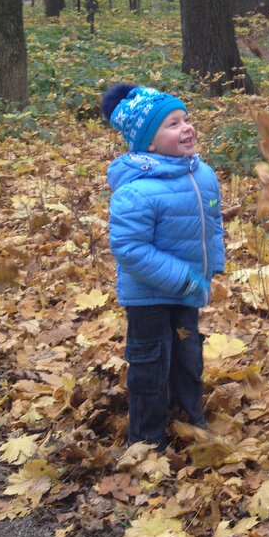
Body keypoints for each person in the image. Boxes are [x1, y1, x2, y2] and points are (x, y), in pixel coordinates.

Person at [101, 83, 225, 448]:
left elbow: (213, 223)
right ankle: (146, 440)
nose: (187, 127)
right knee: (151, 365)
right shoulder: (136, 190)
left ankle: (190, 419)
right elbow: (130, 249)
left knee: (188, 356)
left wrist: (210, 267)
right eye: (173, 124)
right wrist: (184, 279)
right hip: (149, 297)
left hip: (187, 291)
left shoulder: (202, 175)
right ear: (149, 144)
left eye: (186, 119)